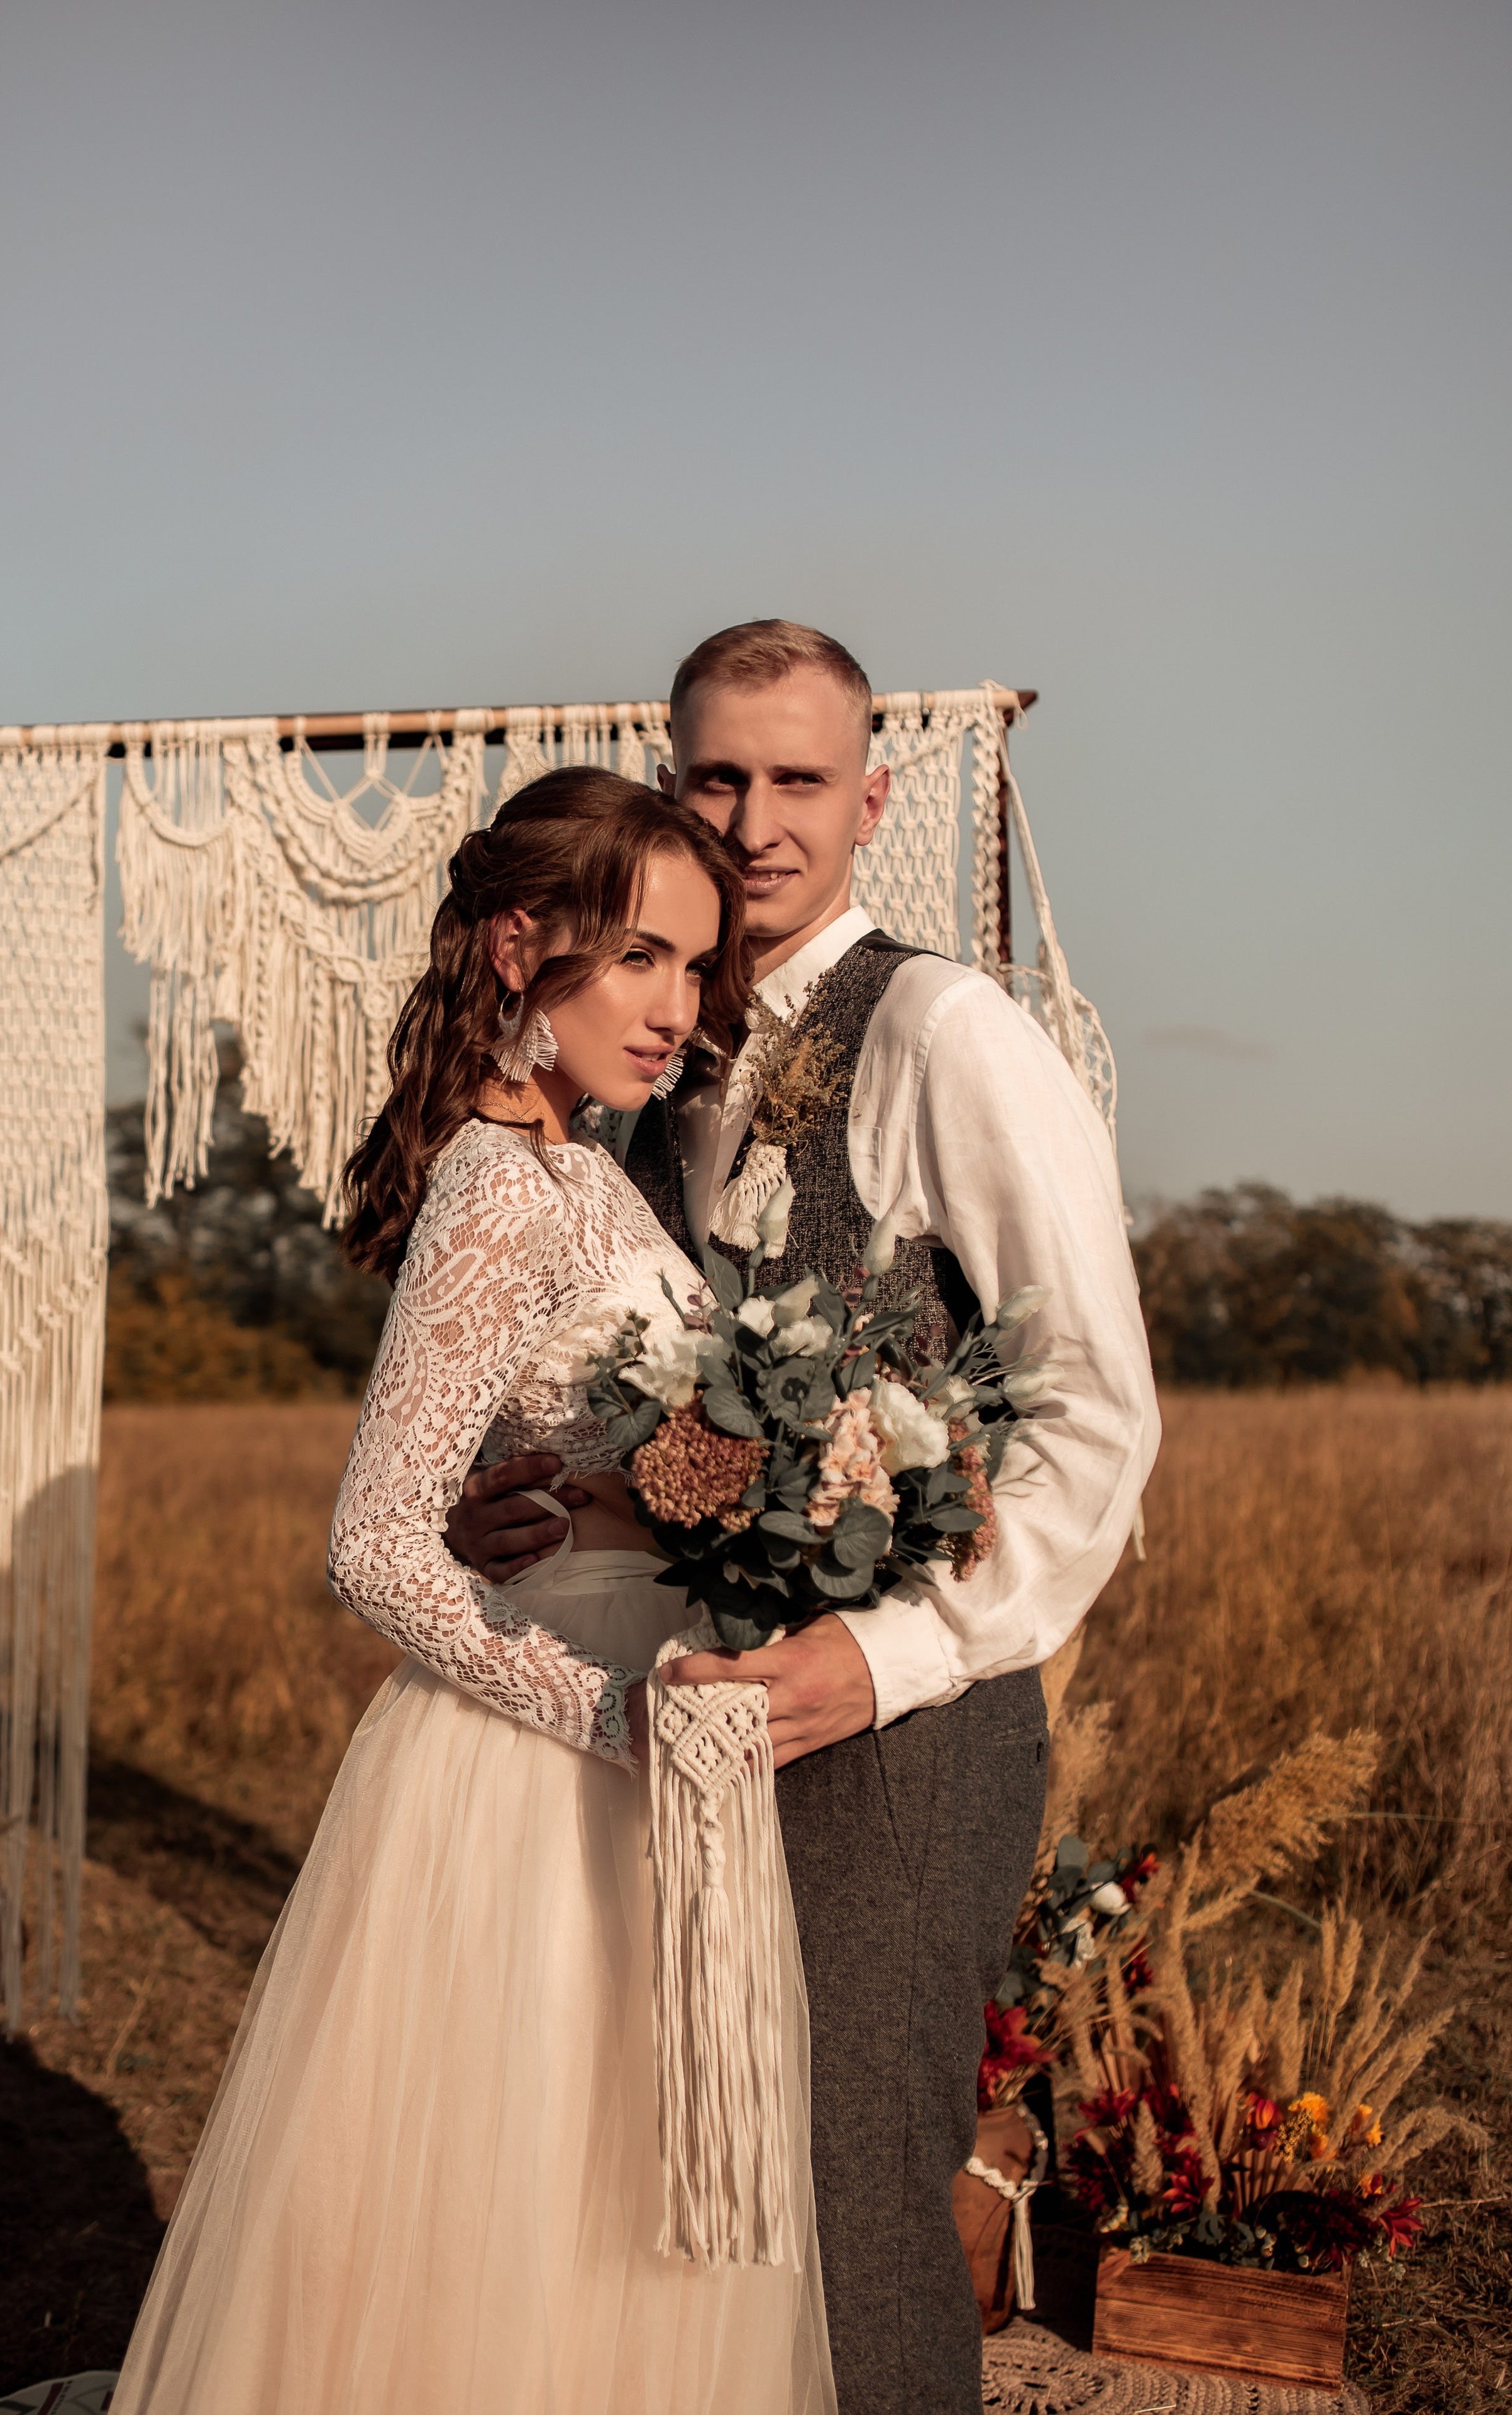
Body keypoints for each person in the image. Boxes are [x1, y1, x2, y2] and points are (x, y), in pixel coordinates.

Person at [446, 622, 1161, 2415]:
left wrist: (896, 1645)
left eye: (798, 779)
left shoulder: (947, 1028)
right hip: (687, 1716)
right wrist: (555, 1485)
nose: (757, 820)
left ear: (872, 798)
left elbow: (1095, 1412)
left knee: (846, 2197)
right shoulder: (658, 1051)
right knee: (691, 2203)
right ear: (669, 779)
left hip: (905, 1727)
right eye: (718, 776)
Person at [110, 768, 837, 2415]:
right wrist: (617, 1720)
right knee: (525, 2210)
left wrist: (826, 1478)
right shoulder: (500, 1188)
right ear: (522, 947)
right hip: (545, 1762)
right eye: (642, 957)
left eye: (698, 968)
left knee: (635, 2225)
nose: (676, 1007)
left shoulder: (587, 1169)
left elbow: (617, 1458)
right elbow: (372, 1538)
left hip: (652, 1717)